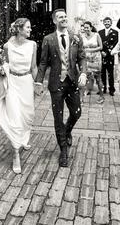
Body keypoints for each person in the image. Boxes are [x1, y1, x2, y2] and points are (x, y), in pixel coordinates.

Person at [35, 9, 87, 167]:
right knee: (58, 118)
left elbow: (82, 57)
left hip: (72, 82)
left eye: (65, 16)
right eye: (60, 17)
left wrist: (83, 73)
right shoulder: (48, 39)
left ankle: (67, 130)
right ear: (54, 21)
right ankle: (63, 150)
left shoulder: (76, 37)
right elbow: (43, 62)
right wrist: (38, 82)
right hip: (56, 83)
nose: (64, 19)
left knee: (77, 113)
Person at [0, 18, 37, 174]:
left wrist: (37, 85)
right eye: (28, 27)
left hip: (27, 82)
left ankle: (24, 139)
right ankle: (15, 154)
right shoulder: (7, 46)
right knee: (14, 118)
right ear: (19, 29)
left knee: (28, 115)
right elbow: (4, 63)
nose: (30, 30)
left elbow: (34, 66)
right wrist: (1, 69)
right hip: (12, 83)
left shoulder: (33, 45)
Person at [82, 21, 104, 103]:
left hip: (96, 59)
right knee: (85, 77)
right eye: (84, 28)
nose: (86, 29)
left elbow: (101, 47)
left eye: (87, 27)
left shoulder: (96, 35)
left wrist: (90, 50)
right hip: (86, 59)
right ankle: (82, 97)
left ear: (91, 28)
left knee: (98, 78)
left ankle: (101, 96)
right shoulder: (82, 36)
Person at [98, 17, 119, 97]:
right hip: (101, 55)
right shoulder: (100, 32)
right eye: (105, 22)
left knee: (110, 73)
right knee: (102, 73)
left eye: (108, 22)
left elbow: (115, 43)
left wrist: (107, 53)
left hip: (110, 55)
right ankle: (103, 88)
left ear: (111, 23)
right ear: (103, 23)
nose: (107, 23)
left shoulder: (115, 32)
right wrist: (101, 52)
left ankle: (111, 89)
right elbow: (98, 43)